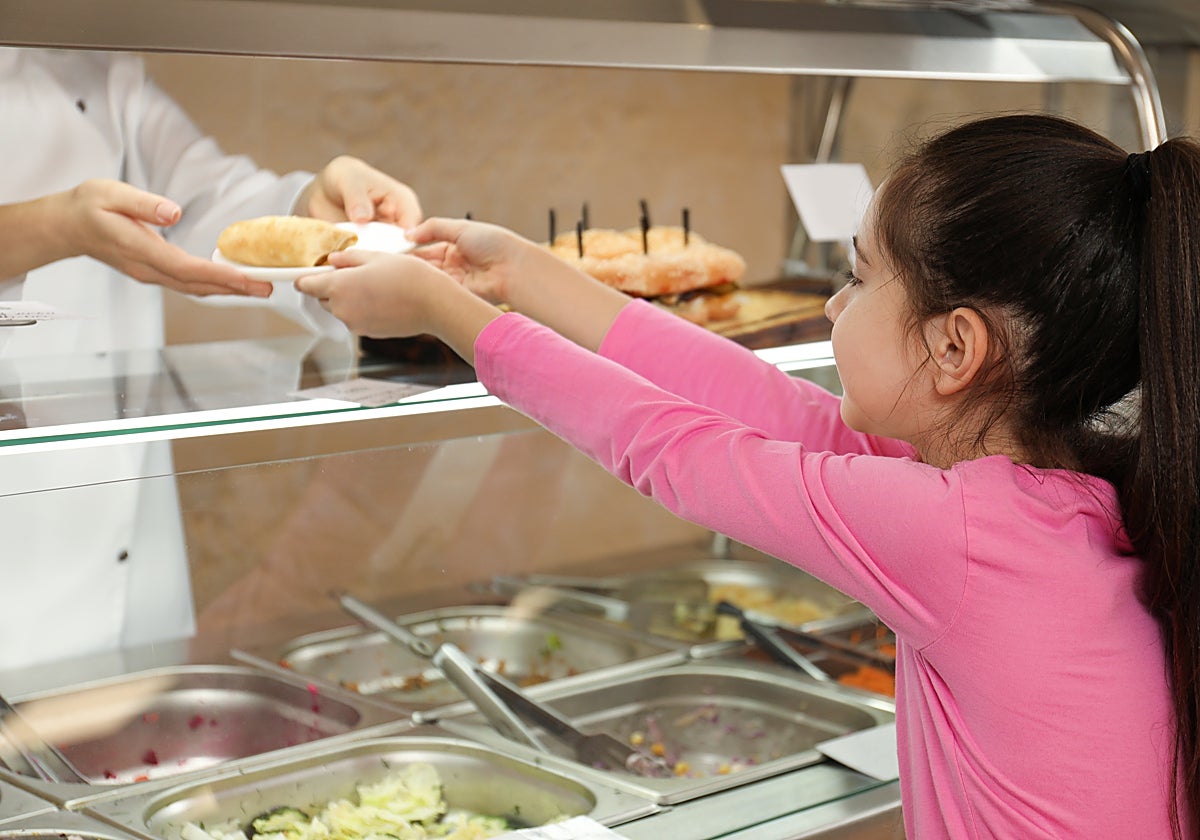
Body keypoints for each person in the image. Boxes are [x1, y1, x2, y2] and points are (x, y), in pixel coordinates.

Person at [297, 113, 1200, 838]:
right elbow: (761, 401)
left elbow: (673, 450)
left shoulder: (953, 533)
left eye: (855, 277)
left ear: (955, 346)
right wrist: (518, 273)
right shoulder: (1060, 489)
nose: (833, 305)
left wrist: (444, 313)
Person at [0, 46, 421, 675]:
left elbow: (203, 203)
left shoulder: (87, 56)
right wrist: (54, 225)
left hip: (135, 569)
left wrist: (312, 207)